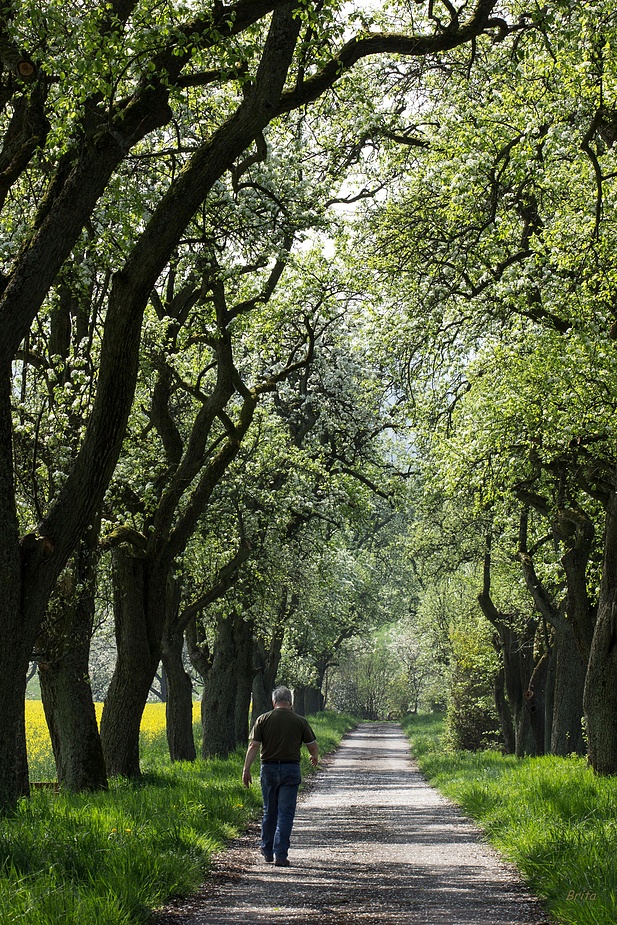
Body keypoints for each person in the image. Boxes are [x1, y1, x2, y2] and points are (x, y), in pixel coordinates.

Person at [242, 686, 319, 867]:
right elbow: (312, 745)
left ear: (273, 702)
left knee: (270, 810)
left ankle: (267, 850)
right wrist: (314, 756)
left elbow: (253, 746)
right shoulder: (300, 721)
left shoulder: (263, 719)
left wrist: (246, 769)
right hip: (291, 770)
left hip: (268, 769)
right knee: (285, 813)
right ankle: (281, 855)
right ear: (290, 703)